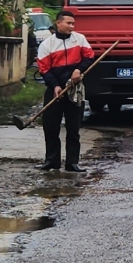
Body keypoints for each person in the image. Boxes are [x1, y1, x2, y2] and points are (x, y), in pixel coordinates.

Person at [35, 9, 94, 171]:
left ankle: (72, 162)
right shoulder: (48, 44)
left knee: (74, 128)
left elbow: (89, 57)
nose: (71, 26)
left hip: (75, 90)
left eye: (73, 23)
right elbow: (44, 69)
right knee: (51, 127)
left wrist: (78, 70)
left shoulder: (80, 39)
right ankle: (51, 161)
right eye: (68, 23)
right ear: (58, 23)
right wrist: (55, 85)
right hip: (55, 90)